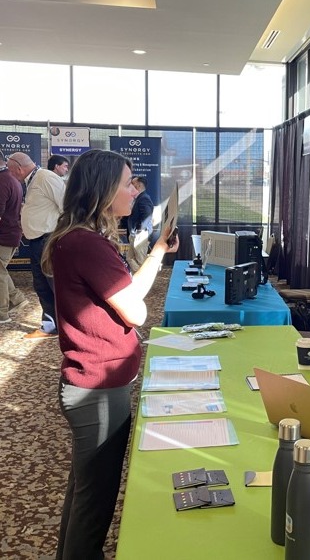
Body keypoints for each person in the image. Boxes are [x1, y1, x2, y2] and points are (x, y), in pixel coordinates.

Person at [41, 149, 179, 560]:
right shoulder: (87, 245)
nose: (133, 191)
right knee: (94, 504)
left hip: (93, 385)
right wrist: (153, 259)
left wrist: (156, 253)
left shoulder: (82, 239)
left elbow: (125, 296)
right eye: (126, 183)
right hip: (96, 390)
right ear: (102, 190)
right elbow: (135, 311)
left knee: (85, 493)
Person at [7, 151, 65, 339]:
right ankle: (50, 326)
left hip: (48, 240)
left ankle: (68, 326)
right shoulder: (31, 180)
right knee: (41, 285)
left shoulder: (46, 177)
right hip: (36, 242)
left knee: (54, 284)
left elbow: (66, 206)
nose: (10, 174)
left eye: (10, 170)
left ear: (19, 168)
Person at [0, 150, 28, 323]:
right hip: (10, 233)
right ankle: (16, 298)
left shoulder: (2, 181)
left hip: (4, 235)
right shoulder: (10, 179)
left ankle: (2, 312)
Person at [125, 175, 154, 271]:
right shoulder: (138, 198)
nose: (130, 186)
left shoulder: (144, 198)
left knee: (140, 260)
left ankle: (143, 278)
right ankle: (139, 276)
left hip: (140, 234)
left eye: (132, 184)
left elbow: (147, 215)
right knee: (130, 258)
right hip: (135, 234)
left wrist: (139, 231)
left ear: (138, 186)